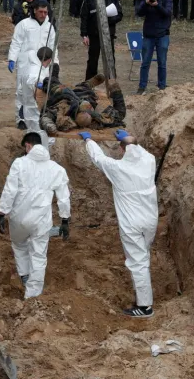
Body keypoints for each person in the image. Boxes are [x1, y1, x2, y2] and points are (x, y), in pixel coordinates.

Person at [80, 129, 158, 318]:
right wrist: (130, 137)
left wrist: (89, 140)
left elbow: (98, 158)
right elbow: (138, 149)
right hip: (150, 219)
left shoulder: (118, 168)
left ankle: (145, 307)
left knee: (137, 262)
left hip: (132, 223)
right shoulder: (149, 160)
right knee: (143, 256)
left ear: (122, 150)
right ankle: (141, 289)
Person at [0, 132, 71, 299]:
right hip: (42, 220)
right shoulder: (56, 169)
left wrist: (2, 212)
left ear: (28, 145)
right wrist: (65, 219)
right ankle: (33, 295)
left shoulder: (19, 163)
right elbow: (64, 197)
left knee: (19, 245)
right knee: (39, 255)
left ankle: (24, 275)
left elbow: (10, 189)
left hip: (19, 218)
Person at [8, 0, 57, 129]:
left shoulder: (49, 27)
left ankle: (40, 116)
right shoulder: (24, 24)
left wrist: (55, 64)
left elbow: (53, 47)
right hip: (25, 63)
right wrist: (12, 58)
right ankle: (21, 119)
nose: (43, 14)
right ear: (34, 10)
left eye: (45, 12)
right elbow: (16, 42)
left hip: (43, 63)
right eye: (40, 11)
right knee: (22, 91)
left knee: (40, 91)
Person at [136, 0, 173, 94]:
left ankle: (162, 86)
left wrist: (157, 6)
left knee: (162, 62)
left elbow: (168, 13)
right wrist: (146, 4)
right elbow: (139, 12)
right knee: (145, 62)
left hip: (162, 34)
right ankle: (142, 86)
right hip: (149, 34)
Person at [80, 0, 123, 80]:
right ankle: (89, 84)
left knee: (110, 59)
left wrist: (107, 19)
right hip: (94, 34)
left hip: (108, 34)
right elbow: (84, 17)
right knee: (92, 60)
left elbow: (120, 15)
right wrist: (84, 35)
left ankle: (112, 83)